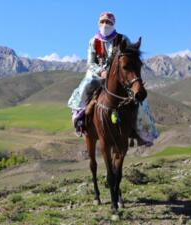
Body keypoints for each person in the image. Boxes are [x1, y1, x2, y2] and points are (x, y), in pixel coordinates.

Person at [67, 12, 159, 146]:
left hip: (119, 74)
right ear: (99, 23)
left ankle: (142, 131)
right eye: (103, 22)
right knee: (86, 86)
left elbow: (130, 57)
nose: (105, 25)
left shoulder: (123, 39)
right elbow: (90, 63)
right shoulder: (93, 41)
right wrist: (101, 71)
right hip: (98, 74)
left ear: (113, 24)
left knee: (139, 97)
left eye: (108, 22)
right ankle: (80, 118)